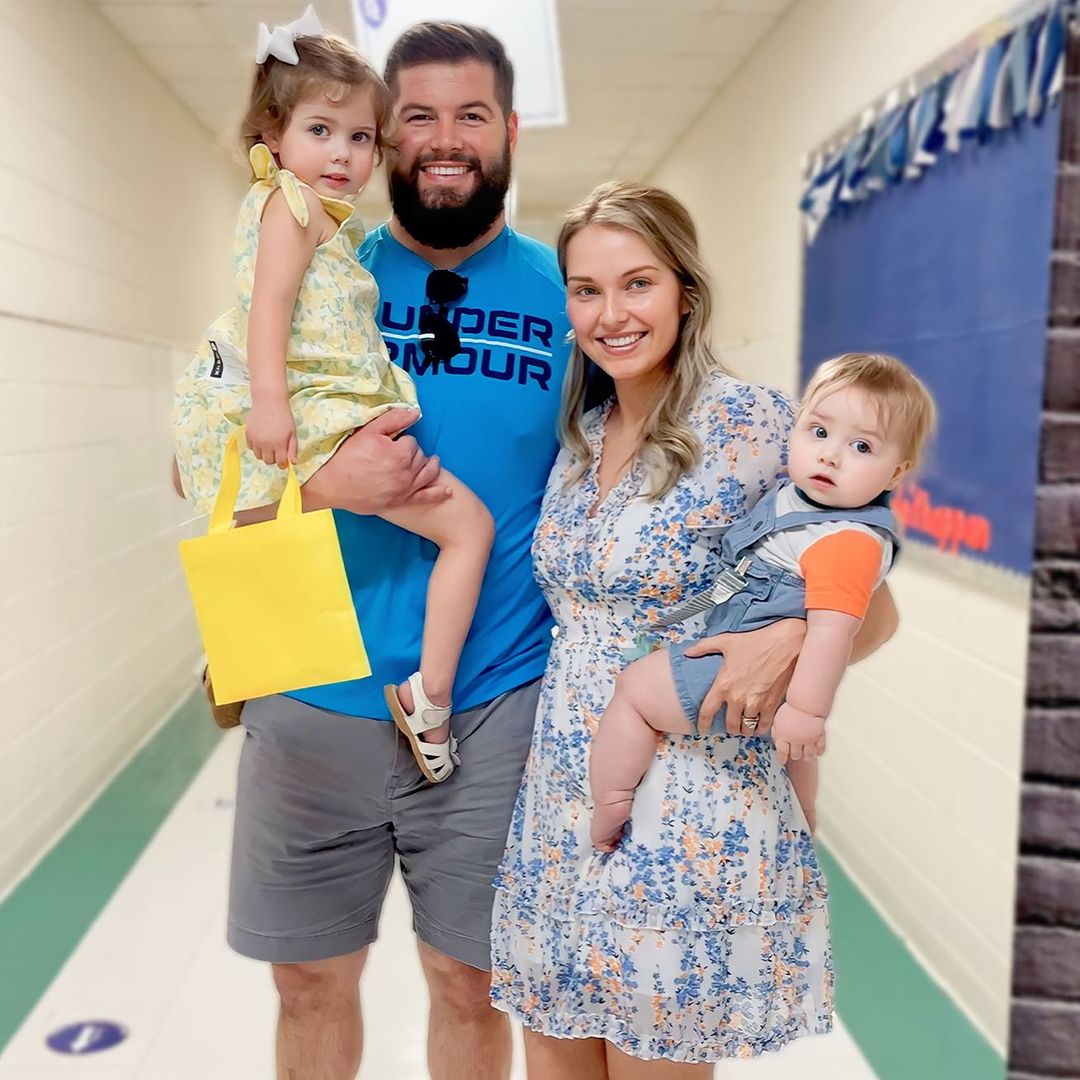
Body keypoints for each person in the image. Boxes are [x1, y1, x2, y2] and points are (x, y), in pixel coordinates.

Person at [219, 22, 571, 1080]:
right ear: (382, 140)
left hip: (491, 704)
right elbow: (204, 448)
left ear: (509, 132)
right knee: (309, 981)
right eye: (415, 117)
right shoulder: (325, 266)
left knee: (472, 983)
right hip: (308, 693)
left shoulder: (573, 298)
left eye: (472, 115)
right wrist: (322, 480)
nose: (443, 139)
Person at [490, 182, 898, 1076]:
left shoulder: (752, 425)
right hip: (565, 786)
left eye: (637, 283)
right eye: (586, 290)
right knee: (556, 1050)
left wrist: (787, 644)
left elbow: (873, 598)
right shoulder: (581, 435)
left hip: (690, 794)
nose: (611, 313)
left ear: (685, 291)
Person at [172, 10, 491, 782]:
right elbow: (269, 309)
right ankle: (430, 695)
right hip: (316, 409)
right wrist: (273, 405)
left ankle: (230, 654)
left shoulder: (323, 220)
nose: (344, 155)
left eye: (359, 138)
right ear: (272, 134)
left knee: (269, 512)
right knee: (470, 527)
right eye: (322, 130)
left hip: (332, 403)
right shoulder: (294, 206)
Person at [588, 352, 936, 851]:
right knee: (791, 751)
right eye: (819, 432)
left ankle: (611, 803)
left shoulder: (846, 539)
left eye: (861, 446)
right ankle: (804, 814)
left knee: (635, 693)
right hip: (767, 671)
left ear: (896, 472)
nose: (831, 456)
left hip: (760, 673)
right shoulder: (800, 501)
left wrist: (807, 712)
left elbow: (832, 631)